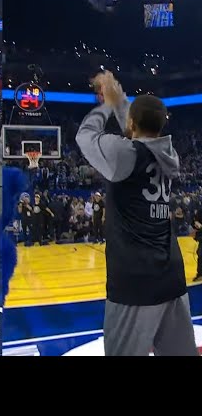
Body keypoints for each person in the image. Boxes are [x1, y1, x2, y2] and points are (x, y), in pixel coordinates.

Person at [76, 70, 197, 356]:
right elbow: (137, 131)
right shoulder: (170, 155)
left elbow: (85, 136)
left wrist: (107, 103)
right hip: (171, 277)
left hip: (134, 282)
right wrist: (119, 99)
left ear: (131, 123)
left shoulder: (124, 155)